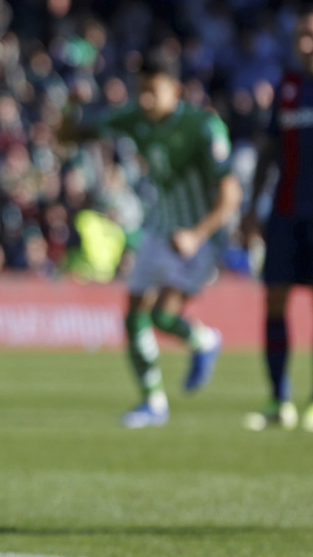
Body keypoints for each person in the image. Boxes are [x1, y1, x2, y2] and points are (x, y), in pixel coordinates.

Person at [61, 51, 235, 429]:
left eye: (153, 91)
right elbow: (68, 137)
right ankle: (153, 403)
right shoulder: (134, 117)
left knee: (162, 316)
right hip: (159, 228)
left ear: (176, 90)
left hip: (199, 235)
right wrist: (70, 107)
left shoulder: (203, 127)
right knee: (134, 315)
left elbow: (230, 195)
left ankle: (204, 341)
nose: (145, 100)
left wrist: (196, 234)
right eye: (141, 91)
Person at [241, 7, 313, 431]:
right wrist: (253, 208)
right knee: (274, 301)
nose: (306, 43)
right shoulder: (287, 87)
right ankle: (279, 400)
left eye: (311, 35)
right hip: (286, 213)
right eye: (301, 36)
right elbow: (269, 152)